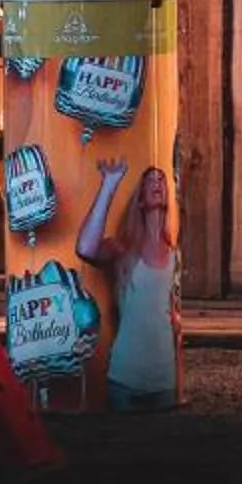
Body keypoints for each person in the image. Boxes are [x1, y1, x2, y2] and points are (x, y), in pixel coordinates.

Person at [77, 159, 181, 411]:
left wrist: (178, 381)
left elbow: (175, 324)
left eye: (161, 180)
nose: (157, 183)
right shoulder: (124, 249)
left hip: (164, 381)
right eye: (150, 180)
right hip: (125, 378)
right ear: (141, 199)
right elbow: (85, 248)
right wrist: (109, 185)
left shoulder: (175, 254)